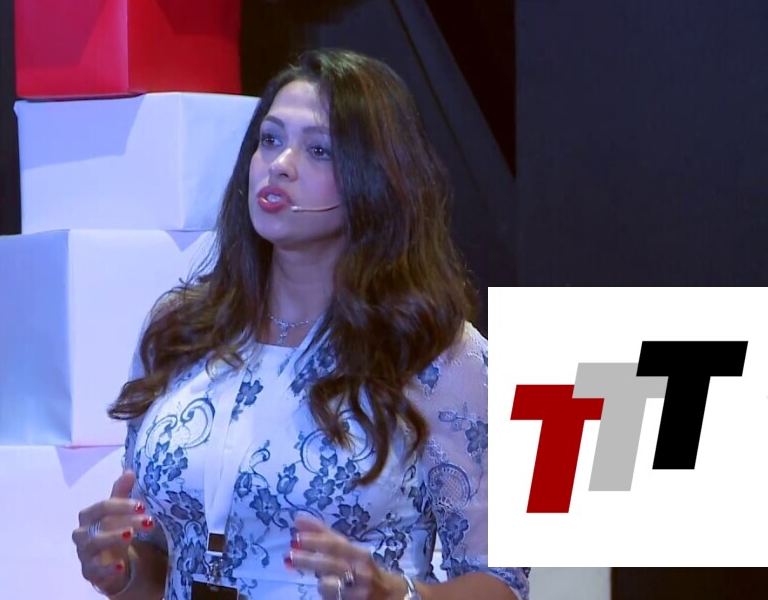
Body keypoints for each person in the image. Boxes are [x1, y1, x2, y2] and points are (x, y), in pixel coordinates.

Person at [71, 48, 529, 600]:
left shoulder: (437, 354)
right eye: (269, 140)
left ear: (376, 179)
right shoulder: (181, 329)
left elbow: (503, 583)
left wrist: (399, 594)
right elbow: (158, 561)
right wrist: (120, 570)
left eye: (318, 150)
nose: (280, 164)